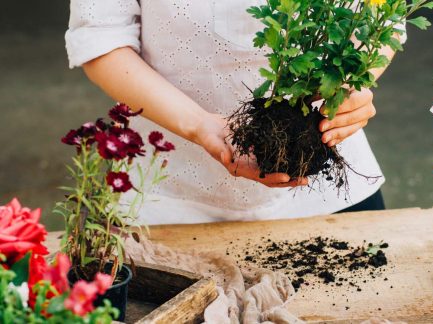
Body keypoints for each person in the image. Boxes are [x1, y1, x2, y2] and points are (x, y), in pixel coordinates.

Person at [65, 0, 402, 225]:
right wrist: (200, 125)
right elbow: (100, 37)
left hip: (329, 192)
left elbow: (386, 15)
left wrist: (353, 82)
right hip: (169, 199)